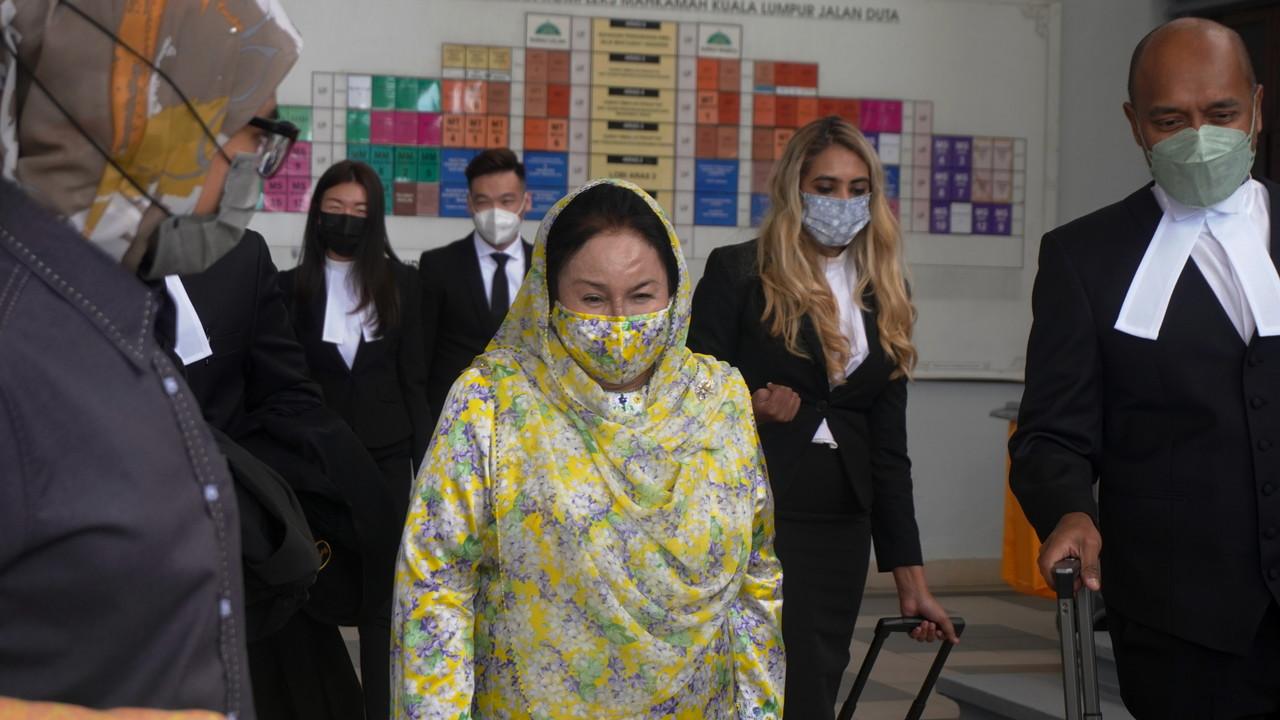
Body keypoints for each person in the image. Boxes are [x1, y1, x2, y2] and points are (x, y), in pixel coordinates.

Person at [0, 0, 298, 715]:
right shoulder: (18, 330)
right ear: (153, 124)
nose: (257, 166)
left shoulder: (104, 307)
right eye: (255, 130)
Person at [393, 179, 785, 718]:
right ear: (550, 297)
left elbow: (755, 576)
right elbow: (437, 580)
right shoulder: (494, 400)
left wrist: (760, 709)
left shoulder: (719, 402)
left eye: (642, 295)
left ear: (675, 292)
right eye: (593, 298)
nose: (620, 320)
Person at [1011, 18, 1280, 718]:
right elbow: (1051, 434)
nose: (1200, 137)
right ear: (1135, 124)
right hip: (1180, 618)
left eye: (1221, 113)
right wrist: (1069, 509)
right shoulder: (1084, 258)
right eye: (1171, 119)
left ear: (1257, 106)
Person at [688, 115, 957, 719]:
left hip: (843, 518)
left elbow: (890, 447)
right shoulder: (738, 272)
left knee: (817, 674)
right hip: (758, 510)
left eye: (857, 188)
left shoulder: (886, 287)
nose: (842, 201)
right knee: (755, 677)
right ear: (794, 188)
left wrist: (910, 578)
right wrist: (748, 405)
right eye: (827, 186)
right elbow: (688, 400)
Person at [281, 158, 429, 720]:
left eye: (359, 212)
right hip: (314, 464)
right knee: (311, 587)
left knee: (381, 599)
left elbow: (412, 380)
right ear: (317, 212)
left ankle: (381, 710)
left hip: (386, 459)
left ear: (376, 220)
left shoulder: (404, 283)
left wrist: (425, 470)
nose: (345, 220)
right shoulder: (287, 287)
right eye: (335, 210)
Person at [418, 148, 533, 417]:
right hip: (453, 420)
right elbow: (420, 360)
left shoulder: (546, 268)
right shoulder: (438, 265)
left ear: (526, 201)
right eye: (484, 201)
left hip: (528, 419)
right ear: (470, 203)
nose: (496, 212)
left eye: (507, 200)